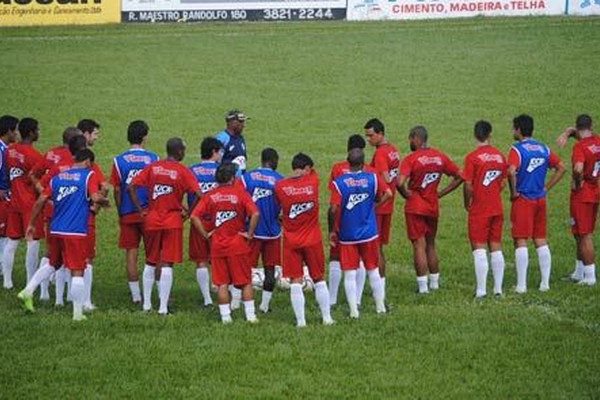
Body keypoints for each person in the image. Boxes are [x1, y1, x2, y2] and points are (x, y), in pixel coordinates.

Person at [17, 149, 108, 321]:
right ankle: (77, 314)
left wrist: (31, 224)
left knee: (54, 263)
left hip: (56, 228)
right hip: (75, 231)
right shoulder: (89, 175)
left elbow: (41, 200)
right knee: (78, 271)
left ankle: (28, 291)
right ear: (88, 162)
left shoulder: (58, 178)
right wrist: (105, 201)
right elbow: (95, 197)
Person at [128, 138, 202, 315]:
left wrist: (141, 210)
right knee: (167, 263)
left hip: (152, 219)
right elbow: (199, 194)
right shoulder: (183, 171)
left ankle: (146, 305)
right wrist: (189, 213)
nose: (184, 153)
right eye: (183, 150)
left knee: (150, 261)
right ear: (178, 152)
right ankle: (162, 308)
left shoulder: (154, 167)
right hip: (172, 221)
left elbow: (131, 187)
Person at [397, 126, 463, 294]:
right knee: (431, 244)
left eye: (410, 139)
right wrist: (440, 193)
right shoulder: (439, 157)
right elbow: (461, 175)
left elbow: (399, 182)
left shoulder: (412, 158)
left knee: (419, 244)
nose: (410, 142)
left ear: (415, 138)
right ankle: (434, 283)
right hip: (432, 205)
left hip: (415, 207)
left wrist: (406, 194)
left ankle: (423, 288)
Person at [191, 163, 260, 324]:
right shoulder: (240, 193)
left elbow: (194, 216)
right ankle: (251, 317)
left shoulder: (210, 196)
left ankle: (226, 318)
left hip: (218, 245)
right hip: (237, 244)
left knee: (222, 283)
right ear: (232, 178)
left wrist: (206, 234)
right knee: (245, 282)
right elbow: (255, 213)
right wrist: (249, 234)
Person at [328, 148, 391, 318]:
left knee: (349, 273)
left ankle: (354, 312)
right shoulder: (372, 178)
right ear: (364, 163)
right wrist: (374, 206)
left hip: (348, 234)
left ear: (348, 163)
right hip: (369, 232)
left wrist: (332, 230)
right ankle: (380, 308)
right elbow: (388, 193)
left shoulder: (339, 183)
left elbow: (333, 208)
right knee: (373, 270)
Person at [508, 114, 566, 293]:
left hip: (524, 199)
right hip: (540, 199)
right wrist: (546, 187)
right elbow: (562, 168)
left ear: (518, 130)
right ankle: (545, 284)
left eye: (513, 128)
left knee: (521, 240)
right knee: (540, 239)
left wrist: (513, 192)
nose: (513, 131)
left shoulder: (517, 150)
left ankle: (521, 285)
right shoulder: (544, 148)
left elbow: (511, 171)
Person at [274, 153, 333, 327]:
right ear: (307, 168)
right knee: (319, 278)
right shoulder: (313, 182)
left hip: (291, 241)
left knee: (295, 281)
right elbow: (313, 172)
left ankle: (301, 322)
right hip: (312, 240)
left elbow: (279, 211)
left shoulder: (280, 186)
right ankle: (327, 318)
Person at [29, 126, 82, 301]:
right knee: (65, 256)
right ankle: (66, 298)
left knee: (51, 252)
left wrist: (45, 195)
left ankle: (44, 293)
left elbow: (33, 174)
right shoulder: (74, 160)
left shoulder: (51, 154)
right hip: (67, 212)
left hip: (50, 209)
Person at [110, 121, 159, 304]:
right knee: (154, 254)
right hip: (149, 213)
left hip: (127, 213)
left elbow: (116, 189)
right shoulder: (154, 159)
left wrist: (121, 210)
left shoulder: (119, 160)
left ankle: (136, 297)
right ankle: (160, 294)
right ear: (145, 137)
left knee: (132, 253)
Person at [327, 134, 374, 307]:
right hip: (362, 220)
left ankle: (331, 299)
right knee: (360, 259)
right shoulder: (369, 171)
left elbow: (334, 196)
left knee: (335, 258)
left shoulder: (337, 168)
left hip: (341, 219)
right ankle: (358, 299)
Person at [462, 121, 507, 298]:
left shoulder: (472, 158)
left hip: (479, 209)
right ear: (490, 134)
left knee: (479, 248)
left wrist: (467, 202)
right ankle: (497, 289)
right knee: (496, 245)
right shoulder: (500, 156)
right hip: (497, 207)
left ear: (475, 134)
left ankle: (481, 291)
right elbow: (503, 181)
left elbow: (467, 184)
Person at [557, 114, 599, 285]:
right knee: (579, 234)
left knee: (584, 235)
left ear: (577, 125)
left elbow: (578, 168)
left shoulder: (580, 147)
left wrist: (577, 182)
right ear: (592, 125)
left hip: (582, 195)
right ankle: (579, 272)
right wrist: (568, 133)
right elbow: (580, 132)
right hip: (595, 191)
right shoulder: (597, 141)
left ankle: (590, 277)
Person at [3, 118, 44, 290]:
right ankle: (30, 282)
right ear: (31, 133)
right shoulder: (35, 156)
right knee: (32, 243)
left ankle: (7, 282)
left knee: (11, 242)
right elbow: (40, 182)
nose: (39, 132)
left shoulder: (10, 150)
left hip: (14, 202)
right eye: (38, 130)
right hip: (30, 205)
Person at [241, 148, 284, 313]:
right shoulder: (280, 181)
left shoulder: (246, 178)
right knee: (270, 269)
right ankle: (264, 306)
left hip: (251, 231)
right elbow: (283, 209)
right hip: (272, 232)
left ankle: (238, 303)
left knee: (244, 268)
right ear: (273, 161)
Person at [364, 118, 398, 299]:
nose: (368, 140)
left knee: (374, 248)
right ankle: (380, 287)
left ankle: (378, 289)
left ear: (380, 134)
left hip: (379, 207)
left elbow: (384, 176)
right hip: (389, 206)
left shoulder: (380, 154)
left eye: (370, 136)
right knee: (380, 248)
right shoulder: (393, 150)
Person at [187, 137, 223, 307]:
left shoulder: (191, 170)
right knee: (219, 257)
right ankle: (220, 289)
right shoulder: (221, 171)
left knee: (201, 260)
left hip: (198, 220)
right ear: (214, 152)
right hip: (219, 221)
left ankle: (207, 299)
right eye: (220, 152)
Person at [0, 116, 19, 279]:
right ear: (8, 131)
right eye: (16, 130)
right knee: (3, 233)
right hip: (2, 197)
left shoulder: (5, 148)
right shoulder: (1, 150)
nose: (17, 133)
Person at [216, 109, 248, 175]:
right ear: (232, 123)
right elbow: (215, 162)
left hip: (239, 182)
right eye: (240, 122)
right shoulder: (222, 139)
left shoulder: (240, 138)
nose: (243, 125)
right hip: (227, 180)